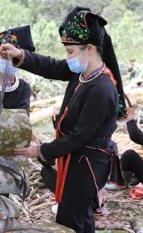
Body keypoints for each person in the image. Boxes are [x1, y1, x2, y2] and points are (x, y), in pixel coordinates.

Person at [11, 7, 127, 233]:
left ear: (90, 49)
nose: (68, 58)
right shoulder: (83, 72)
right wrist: (21, 56)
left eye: (71, 51)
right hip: (76, 160)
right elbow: (52, 66)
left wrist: (41, 150)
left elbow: (80, 136)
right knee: (79, 219)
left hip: (87, 165)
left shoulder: (101, 89)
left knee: (72, 219)